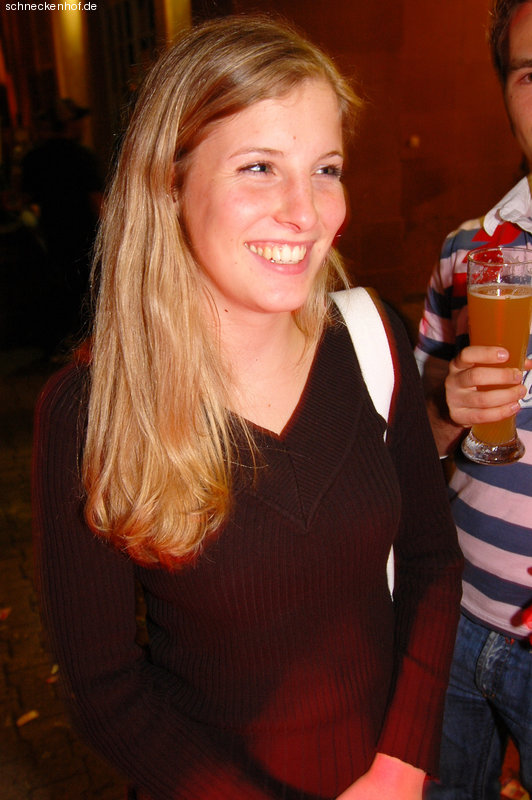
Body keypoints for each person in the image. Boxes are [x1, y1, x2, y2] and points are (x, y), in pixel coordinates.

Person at [33, 15, 462, 800]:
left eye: (326, 168)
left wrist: (402, 763)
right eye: (260, 167)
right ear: (169, 182)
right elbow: (104, 691)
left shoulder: (371, 340)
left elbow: (432, 562)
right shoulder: (90, 411)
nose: (307, 212)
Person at [415, 2, 532, 797]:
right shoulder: (468, 249)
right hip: (451, 618)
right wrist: (443, 409)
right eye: (530, 75)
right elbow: (414, 446)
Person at [22, 97, 102, 355]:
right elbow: (97, 201)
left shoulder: (34, 158)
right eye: (79, 120)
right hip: (85, 238)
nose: (82, 126)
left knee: (59, 293)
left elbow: (23, 199)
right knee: (87, 296)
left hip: (52, 237)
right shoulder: (82, 157)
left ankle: (62, 348)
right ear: (69, 124)